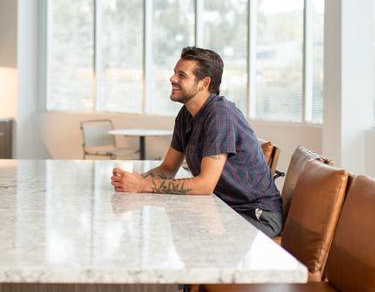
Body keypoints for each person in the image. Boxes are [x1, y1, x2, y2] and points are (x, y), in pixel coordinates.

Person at [111, 47, 283, 237]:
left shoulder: (220, 115)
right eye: (174, 72)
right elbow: (167, 169)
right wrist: (132, 181)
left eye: (182, 75)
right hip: (221, 209)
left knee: (181, 235)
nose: (172, 79)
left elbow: (204, 185)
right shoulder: (186, 115)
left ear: (204, 83)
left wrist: (142, 186)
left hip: (254, 215)